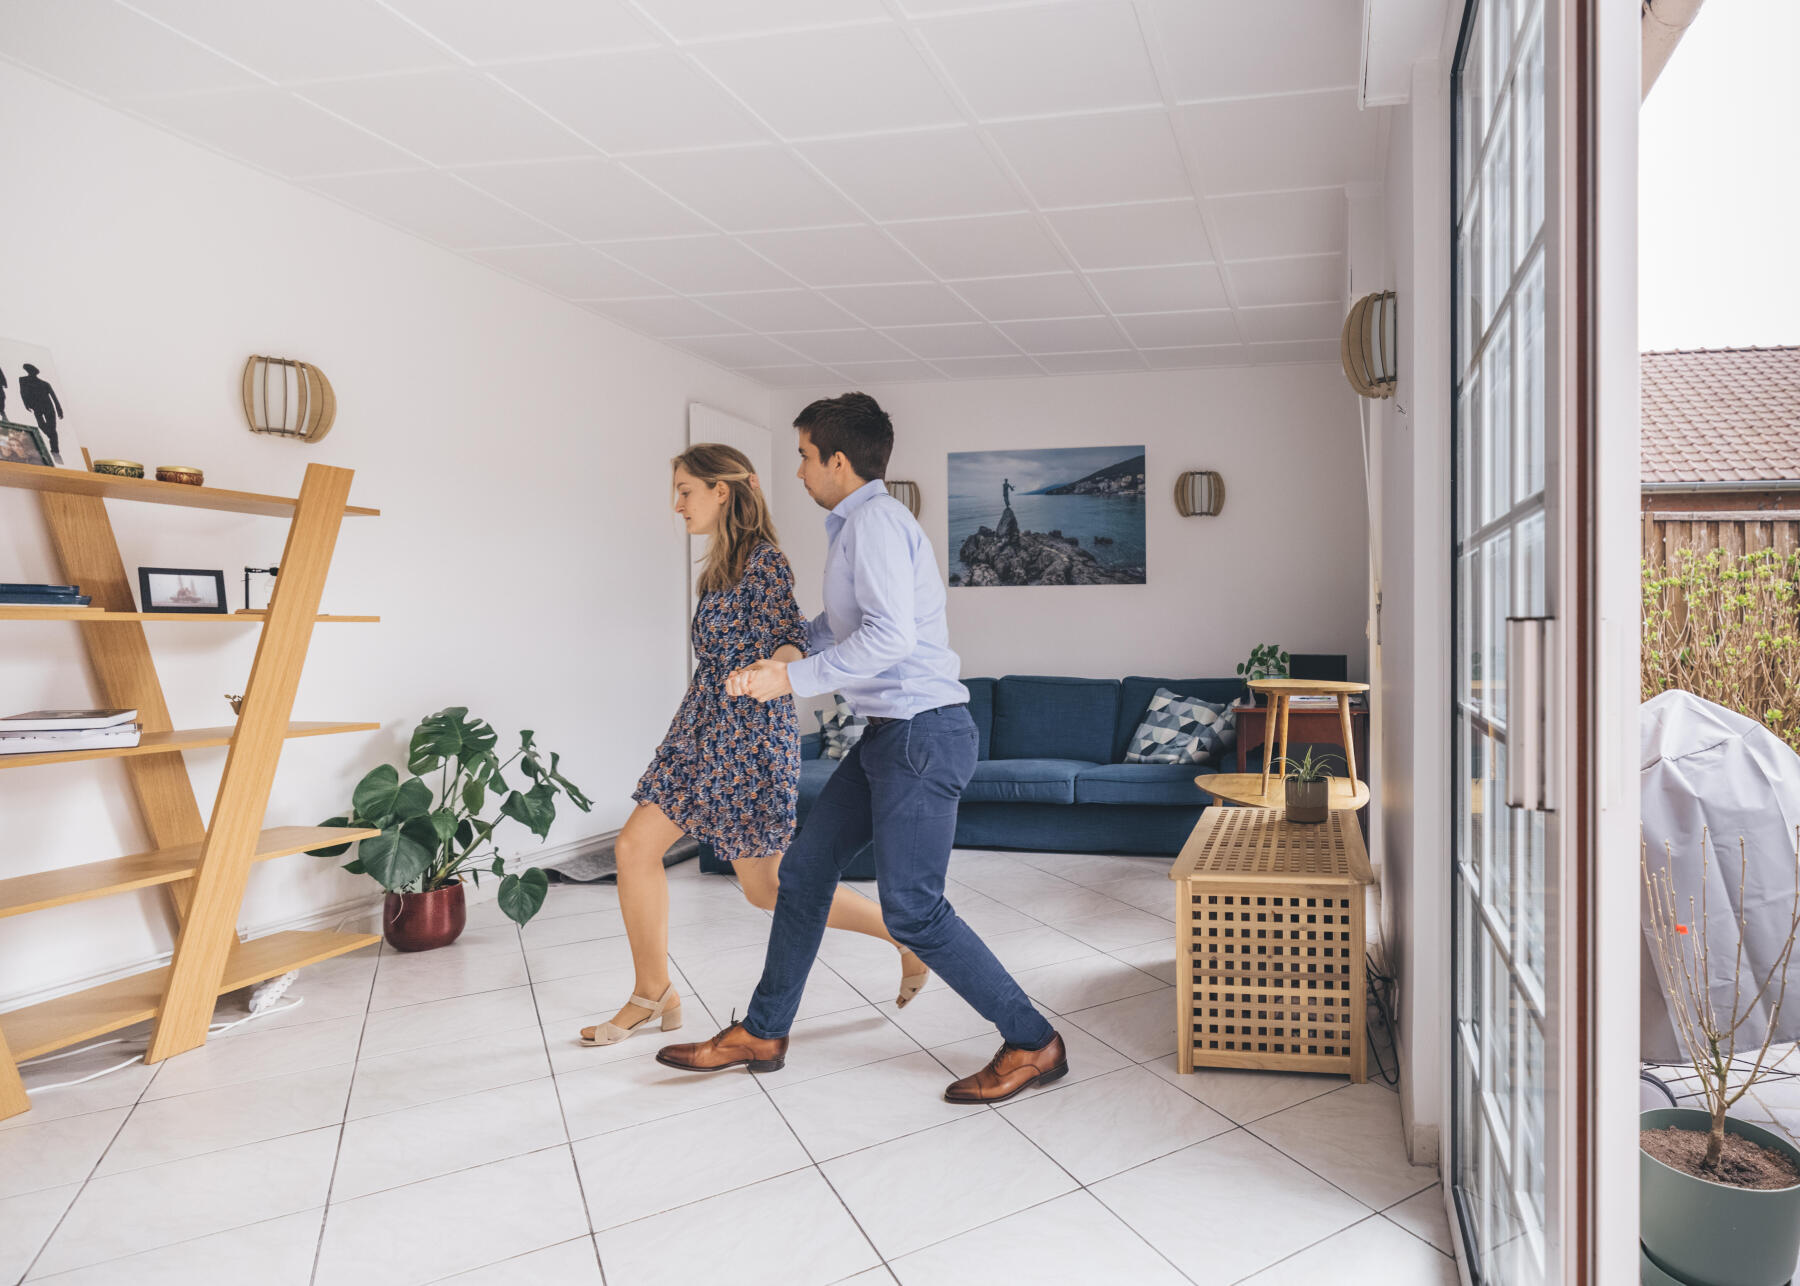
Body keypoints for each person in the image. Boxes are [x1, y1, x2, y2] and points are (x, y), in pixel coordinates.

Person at [656, 395, 1068, 1103]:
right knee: (806, 871)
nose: (800, 468)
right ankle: (763, 1029)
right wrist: (800, 642)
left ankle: (1034, 1042)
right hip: (890, 735)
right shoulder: (857, 527)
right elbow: (851, 623)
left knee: (913, 909)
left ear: (837, 460)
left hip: (920, 734)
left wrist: (790, 677)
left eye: (805, 455)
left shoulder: (875, 523)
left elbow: (890, 640)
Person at [578, 444, 927, 1048]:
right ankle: (653, 990)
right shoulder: (718, 566)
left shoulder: (764, 562)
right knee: (634, 847)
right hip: (696, 732)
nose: (677, 504)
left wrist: (777, 670)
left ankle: (902, 933)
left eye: (686, 490)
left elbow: (792, 640)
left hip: (748, 739)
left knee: (766, 889)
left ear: (723, 490)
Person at [18, 364, 62, 460]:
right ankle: (52, 438)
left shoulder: (45, 383)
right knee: (42, 425)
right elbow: (22, 393)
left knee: (52, 428)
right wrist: (26, 404)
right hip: (37, 407)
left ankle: (55, 450)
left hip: (49, 407)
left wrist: (59, 410)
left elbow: (54, 397)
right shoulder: (23, 380)